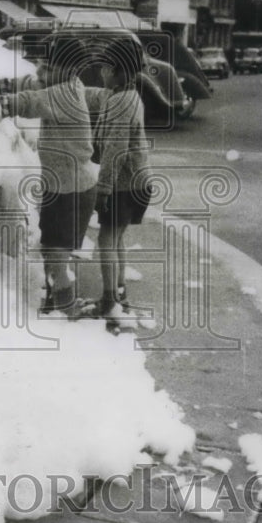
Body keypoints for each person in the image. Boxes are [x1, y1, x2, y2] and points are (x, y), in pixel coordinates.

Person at [0, 35, 97, 314]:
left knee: (55, 254)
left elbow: (30, 100)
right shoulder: (61, 82)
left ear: (69, 71)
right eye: (40, 65)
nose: (40, 72)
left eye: (48, 67)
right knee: (51, 249)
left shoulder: (65, 95)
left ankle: (67, 310)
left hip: (73, 191)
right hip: (64, 186)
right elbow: (33, 84)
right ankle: (57, 301)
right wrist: (5, 83)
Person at [85, 35, 151, 320]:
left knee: (106, 240)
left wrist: (103, 189)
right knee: (116, 238)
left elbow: (115, 149)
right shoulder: (125, 95)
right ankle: (118, 292)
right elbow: (90, 95)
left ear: (118, 71)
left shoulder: (121, 103)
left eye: (105, 68)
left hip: (122, 186)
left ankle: (109, 301)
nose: (101, 72)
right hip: (136, 183)